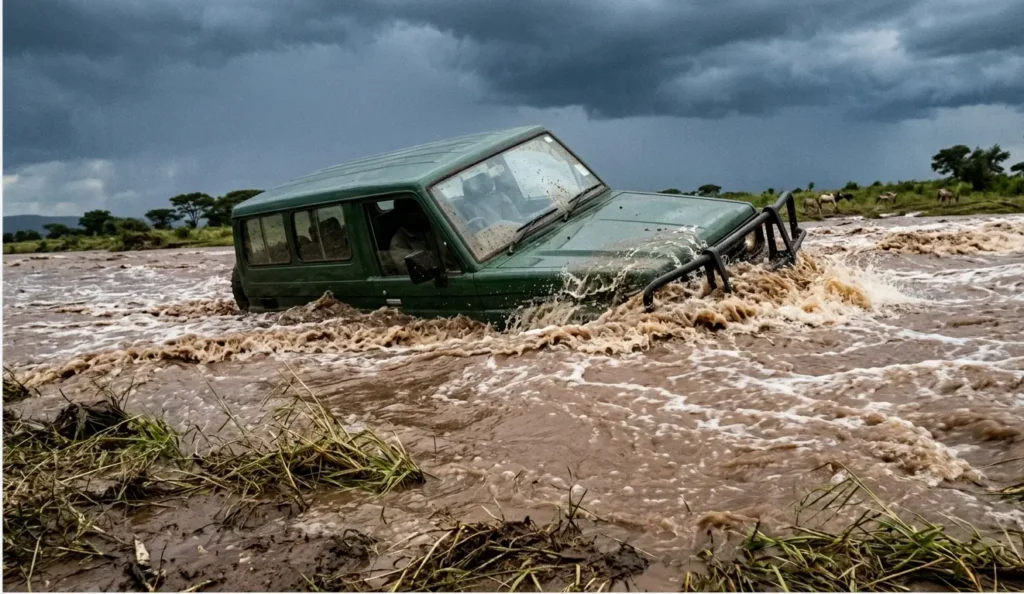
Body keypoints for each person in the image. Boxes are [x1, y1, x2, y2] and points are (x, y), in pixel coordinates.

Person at [388, 199, 433, 275]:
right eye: (413, 212)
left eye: (420, 210)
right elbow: (413, 270)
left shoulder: (433, 229)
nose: (420, 215)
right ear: (402, 216)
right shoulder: (398, 243)